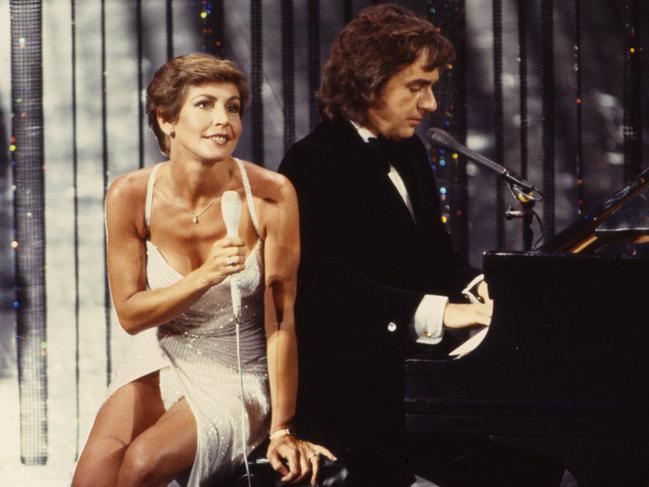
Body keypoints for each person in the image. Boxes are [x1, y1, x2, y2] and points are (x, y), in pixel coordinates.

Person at [279, 5, 562, 487]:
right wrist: (445, 314)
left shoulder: (407, 148)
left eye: (430, 87)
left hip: (410, 367)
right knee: (514, 452)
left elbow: (432, 253)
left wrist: (480, 286)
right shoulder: (311, 164)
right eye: (417, 87)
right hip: (352, 385)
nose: (430, 104)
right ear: (369, 82)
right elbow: (329, 289)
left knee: (536, 444)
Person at [72, 53, 333, 487]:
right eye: (205, 104)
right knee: (92, 479)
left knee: (141, 465)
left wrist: (282, 428)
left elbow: (282, 323)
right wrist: (206, 275)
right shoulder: (130, 195)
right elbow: (132, 315)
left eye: (232, 107)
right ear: (167, 120)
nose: (223, 119)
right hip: (162, 351)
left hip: (237, 368)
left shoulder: (271, 196)